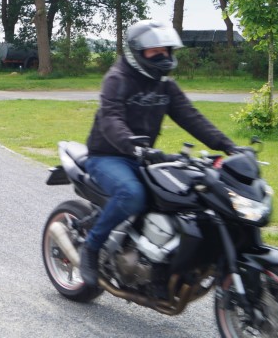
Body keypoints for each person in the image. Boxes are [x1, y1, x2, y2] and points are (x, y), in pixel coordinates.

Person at [79, 20, 238, 287]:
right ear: (137, 52)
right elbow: (111, 119)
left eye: (166, 50)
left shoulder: (165, 85)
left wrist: (228, 145)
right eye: (155, 51)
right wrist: (132, 145)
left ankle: (166, 261)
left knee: (190, 196)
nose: (162, 56)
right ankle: (91, 247)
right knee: (132, 194)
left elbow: (191, 117)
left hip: (145, 156)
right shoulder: (117, 79)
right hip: (108, 155)